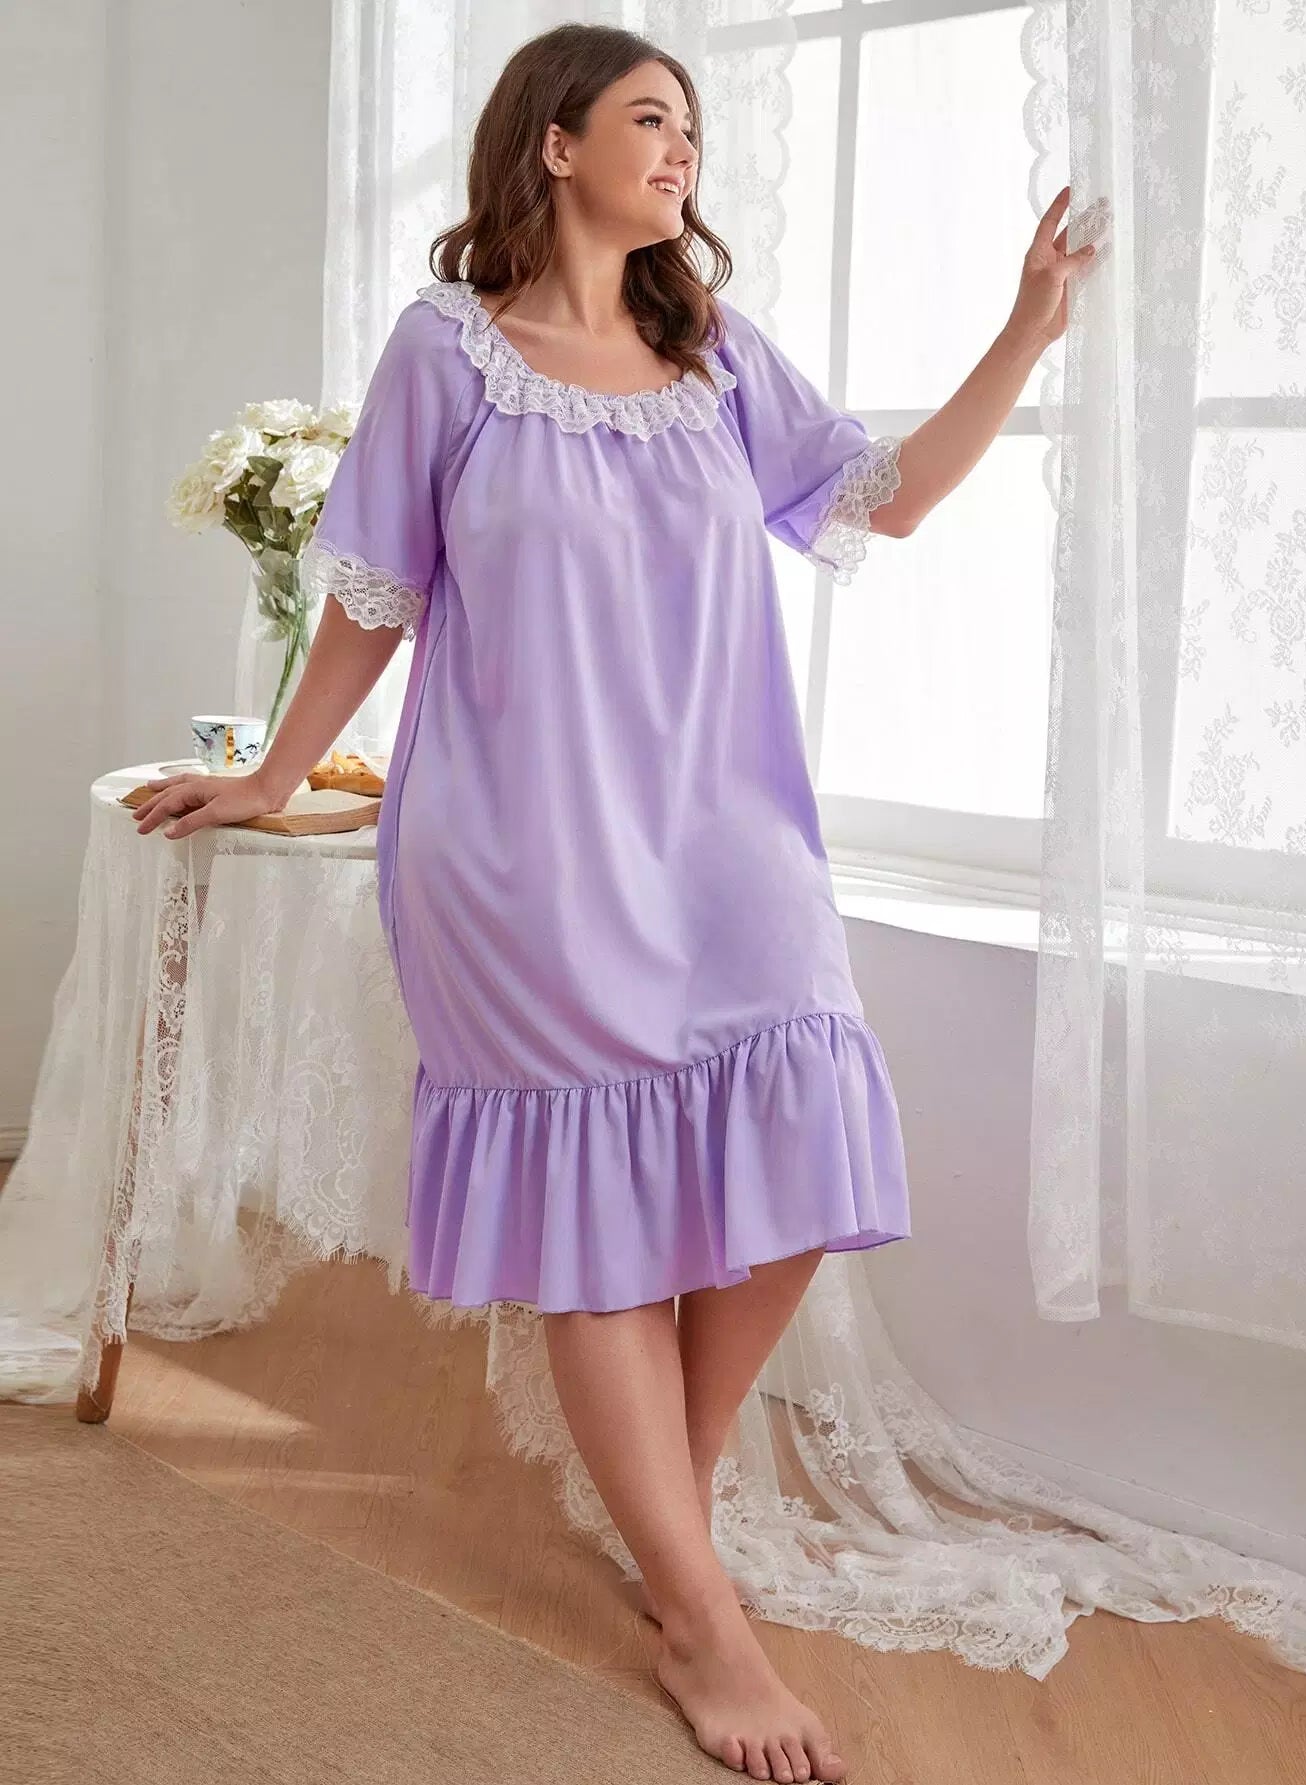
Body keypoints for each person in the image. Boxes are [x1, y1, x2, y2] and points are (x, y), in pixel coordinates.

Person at [135, 21, 1095, 1783]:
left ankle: (672, 1505)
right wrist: (275, 773)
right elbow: (371, 593)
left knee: (804, 1137)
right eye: (652, 119)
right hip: (519, 853)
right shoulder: (447, 354)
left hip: (727, 835)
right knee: (597, 1212)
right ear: (556, 145)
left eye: (694, 130)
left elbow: (884, 500)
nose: (683, 152)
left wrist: (1027, 330)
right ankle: (701, 1613)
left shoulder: (713, 350)